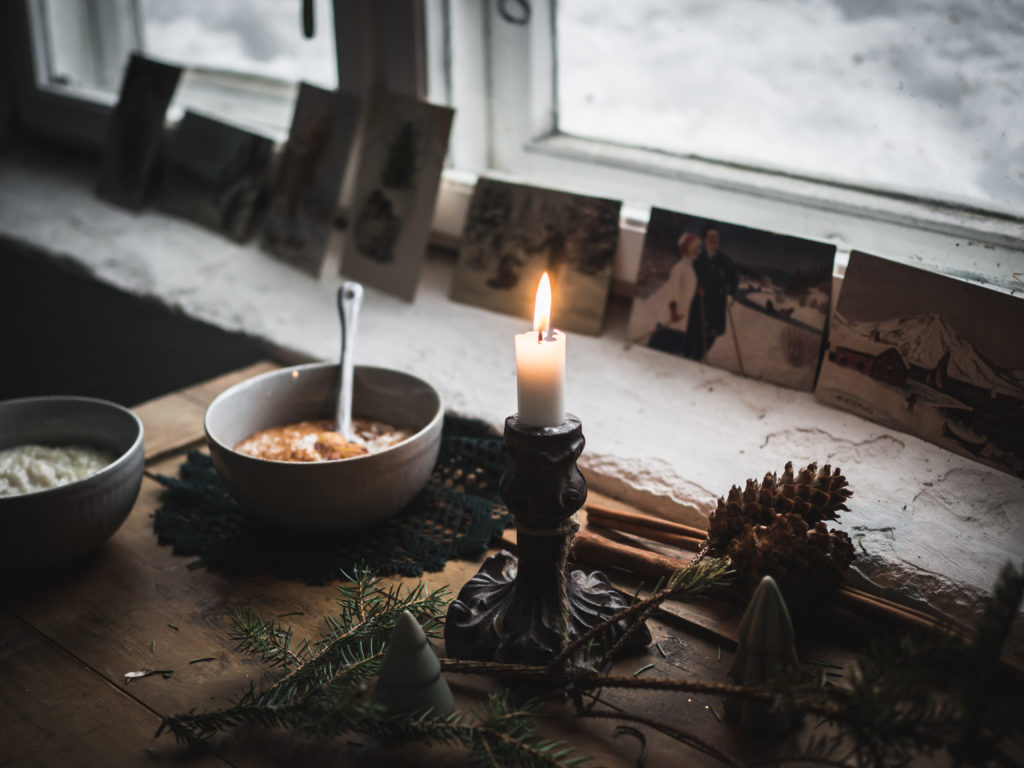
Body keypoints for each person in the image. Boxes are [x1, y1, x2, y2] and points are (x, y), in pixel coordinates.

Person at [683, 224, 739, 361]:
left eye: (716, 236)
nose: (715, 239)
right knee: (691, 342)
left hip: (716, 311)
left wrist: (731, 295)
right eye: (711, 236)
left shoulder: (725, 260)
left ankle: (697, 361)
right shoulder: (698, 257)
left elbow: (734, 280)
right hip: (699, 307)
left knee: (704, 347)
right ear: (704, 239)